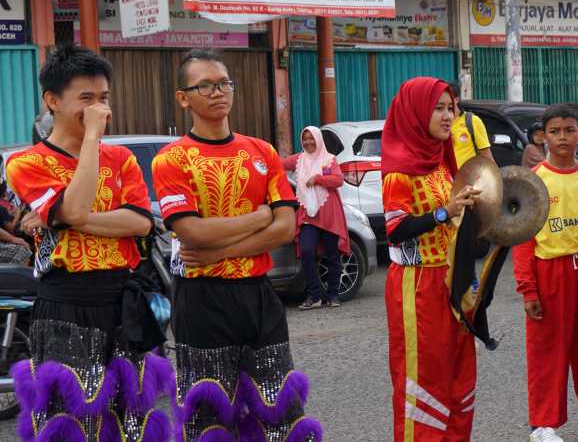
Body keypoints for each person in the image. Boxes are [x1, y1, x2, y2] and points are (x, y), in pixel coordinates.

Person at [151, 49, 322, 441]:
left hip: (259, 297)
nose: (217, 92)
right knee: (208, 416)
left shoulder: (261, 151)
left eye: (224, 83)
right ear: (183, 97)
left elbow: (286, 227)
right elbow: (192, 232)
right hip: (201, 301)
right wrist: (260, 216)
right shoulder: (171, 159)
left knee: (280, 409)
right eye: (205, 85)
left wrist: (220, 250)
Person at [5, 45, 174, 441]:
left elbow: (139, 222)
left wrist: (71, 221)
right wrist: (92, 138)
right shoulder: (26, 162)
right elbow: (77, 205)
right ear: (52, 101)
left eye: (103, 99)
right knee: (71, 417)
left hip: (122, 299)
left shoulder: (122, 159)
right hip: (65, 301)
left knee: (130, 418)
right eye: (86, 99)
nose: (99, 109)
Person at [382, 77, 482, 441]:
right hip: (416, 284)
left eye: (450, 107)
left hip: (450, 280)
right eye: (437, 108)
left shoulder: (443, 162)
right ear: (415, 113)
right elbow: (396, 228)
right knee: (422, 381)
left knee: (458, 376)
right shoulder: (399, 170)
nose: (447, 115)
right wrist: (445, 211)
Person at [512, 103, 578, 442]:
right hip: (549, 273)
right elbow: (522, 238)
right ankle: (542, 424)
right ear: (543, 136)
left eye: (569, 130)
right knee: (547, 351)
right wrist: (528, 289)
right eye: (555, 131)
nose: (562, 137)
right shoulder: (534, 181)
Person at [281, 126, 350, 309]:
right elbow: (278, 164)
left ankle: (333, 294)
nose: (308, 142)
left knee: (332, 254)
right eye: (305, 139)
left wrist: (318, 178)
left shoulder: (329, 160)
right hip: (308, 215)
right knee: (307, 251)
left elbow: (338, 180)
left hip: (329, 214)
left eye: (311, 138)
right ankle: (314, 295)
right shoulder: (299, 159)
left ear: (318, 139)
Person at [448, 80, 495, 168]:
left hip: (468, 179)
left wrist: (495, 178)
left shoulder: (473, 121)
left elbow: (487, 156)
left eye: (448, 98)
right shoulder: (439, 123)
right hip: (445, 179)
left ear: (457, 99)